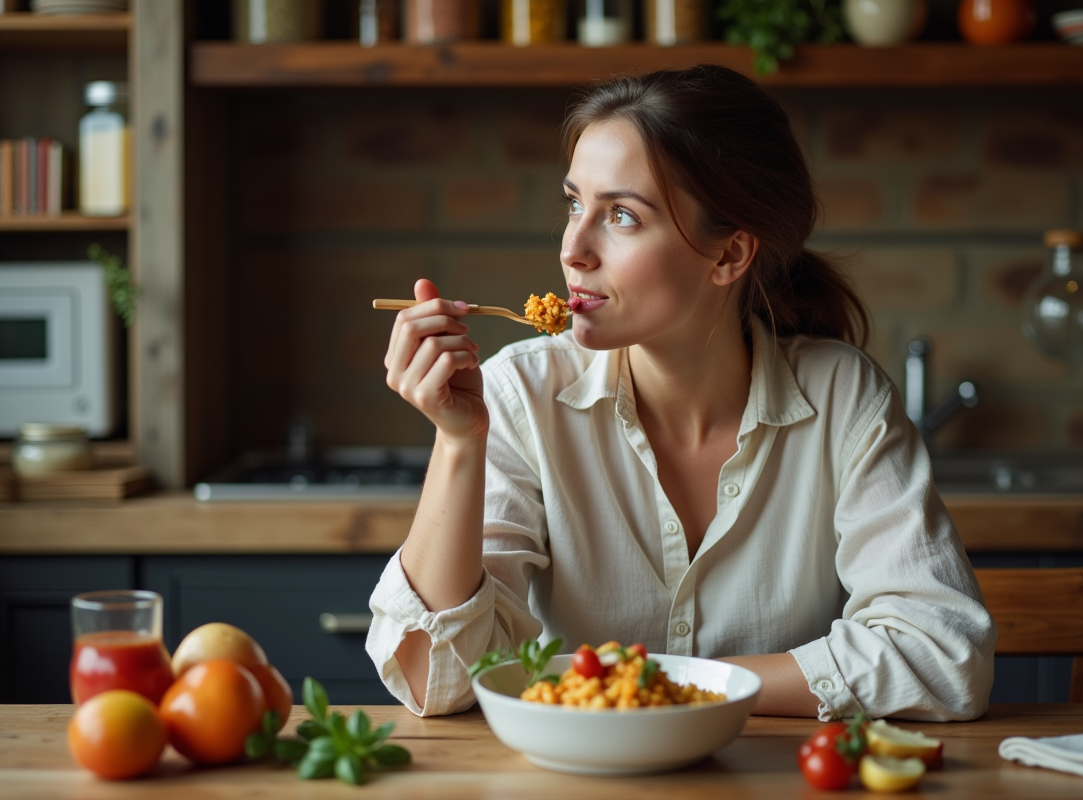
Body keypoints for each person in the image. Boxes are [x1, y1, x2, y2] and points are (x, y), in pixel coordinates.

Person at [367, 64, 996, 720]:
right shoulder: (519, 394)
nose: (573, 249)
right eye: (574, 203)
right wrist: (459, 442)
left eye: (621, 216)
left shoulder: (842, 397)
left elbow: (945, 655)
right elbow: (434, 682)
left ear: (728, 255)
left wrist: (669, 688)